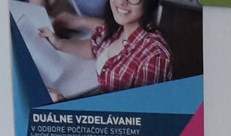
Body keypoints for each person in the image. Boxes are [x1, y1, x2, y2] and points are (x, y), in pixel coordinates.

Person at [39, 0, 173, 93]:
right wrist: (59, 43)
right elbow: (95, 48)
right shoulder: (117, 27)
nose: (121, 2)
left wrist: (63, 103)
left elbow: (139, 116)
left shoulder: (155, 56)